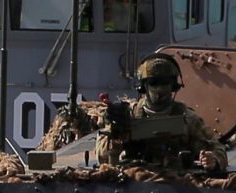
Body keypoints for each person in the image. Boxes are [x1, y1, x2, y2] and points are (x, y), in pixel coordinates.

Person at [41, 54, 220, 171]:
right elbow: (103, 156)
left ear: (173, 85)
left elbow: (216, 148)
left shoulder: (188, 119)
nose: (160, 89)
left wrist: (213, 160)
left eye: (165, 83)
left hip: (177, 185)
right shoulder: (129, 116)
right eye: (154, 83)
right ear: (143, 86)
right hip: (134, 183)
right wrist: (116, 133)